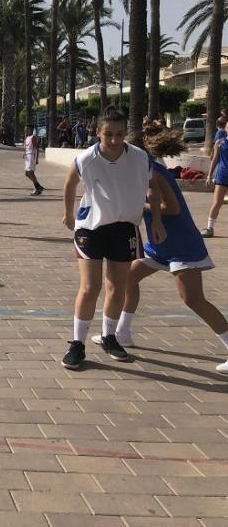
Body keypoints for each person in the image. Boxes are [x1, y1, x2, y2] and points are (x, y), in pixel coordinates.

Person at [102, 127, 228, 374]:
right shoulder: (141, 170)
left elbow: (171, 209)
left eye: (123, 150)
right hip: (160, 246)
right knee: (128, 278)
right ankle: (122, 332)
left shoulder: (155, 172)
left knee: (193, 299)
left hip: (181, 244)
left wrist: (139, 204)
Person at [60, 108, 165, 370]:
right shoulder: (86, 158)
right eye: (109, 134)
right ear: (98, 133)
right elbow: (70, 184)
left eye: (120, 134)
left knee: (117, 287)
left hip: (125, 228)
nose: (115, 140)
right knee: (90, 287)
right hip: (91, 228)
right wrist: (68, 214)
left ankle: (109, 336)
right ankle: (77, 344)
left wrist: (158, 222)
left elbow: (154, 187)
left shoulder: (140, 158)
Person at [202, 118, 228, 238]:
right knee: (217, 202)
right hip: (222, 176)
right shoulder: (220, 142)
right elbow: (215, 159)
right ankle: (209, 228)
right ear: (225, 129)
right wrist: (209, 175)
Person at [23, 124, 45, 196]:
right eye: (25, 129)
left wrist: (36, 158)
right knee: (27, 174)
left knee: (31, 173)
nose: (25, 131)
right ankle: (38, 186)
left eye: (27, 129)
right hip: (27, 157)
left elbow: (36, 148)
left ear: (31, 130)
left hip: (31, 157)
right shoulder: (27, 138)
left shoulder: (33, 138)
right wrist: (24, 153)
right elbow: (27, 147)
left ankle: (37, 189)